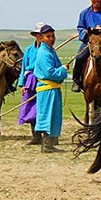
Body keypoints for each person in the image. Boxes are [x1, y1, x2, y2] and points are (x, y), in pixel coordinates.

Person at [33, 24, 68, 153]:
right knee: (48, 116)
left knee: (54, 116)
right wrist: (63, 69)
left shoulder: (50, 51)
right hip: (47, 90)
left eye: (53, 36)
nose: (52, 39)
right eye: (48, 36)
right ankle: (47, 145)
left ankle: (50, 144)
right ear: (41, 38)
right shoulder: (43, 53)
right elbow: (50, 73)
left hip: (53, 89)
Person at [18, 22, 44, 145]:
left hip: (43, 80)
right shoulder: (29, 50)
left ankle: (45, 135)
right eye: (39, 34)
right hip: (30, 80)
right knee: (29, 108)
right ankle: (35, 135)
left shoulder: (47, 50)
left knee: (41, 107)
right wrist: (22, 84)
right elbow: (24, 67)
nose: (41, 36)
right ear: (36, 35)